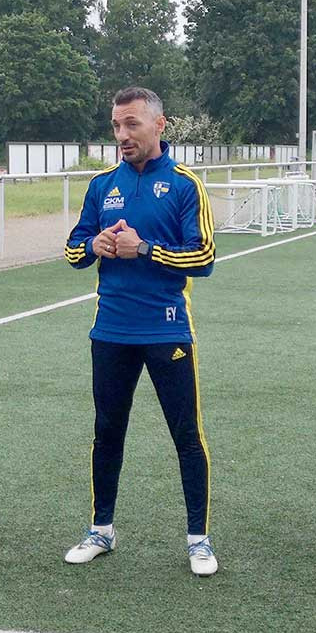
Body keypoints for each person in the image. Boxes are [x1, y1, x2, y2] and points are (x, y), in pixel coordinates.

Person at [63, 86, 218, 576]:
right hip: (110, 331)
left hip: (166, 330)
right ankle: (101, 530)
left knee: (186, 435)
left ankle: (199, 540)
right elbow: (72, 250)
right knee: (107, 431)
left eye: (131, 124)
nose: (122, 134)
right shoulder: (101, 185)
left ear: (160, 125)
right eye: (115, 125)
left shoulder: (185, 185)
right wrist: (98, 244)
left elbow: (204, 258)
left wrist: (144, 249)